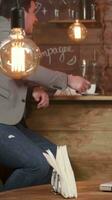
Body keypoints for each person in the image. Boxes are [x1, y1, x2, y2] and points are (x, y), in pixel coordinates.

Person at [0, 0, 90, 191]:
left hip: (9, 122)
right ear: (20, 12)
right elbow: (26, 68)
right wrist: (68, 79)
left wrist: (32, 89)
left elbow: (11, 72)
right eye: (33, 12)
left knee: (56, 158)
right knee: (38, 165)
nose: (36, 18)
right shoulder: (4, 32)